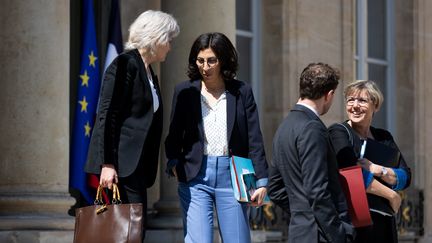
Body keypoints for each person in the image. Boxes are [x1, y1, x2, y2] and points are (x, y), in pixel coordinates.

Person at [164, 32, 268, 243]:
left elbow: (254, 138)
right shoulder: (184, 91)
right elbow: (173, 135)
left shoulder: (242, 91)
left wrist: (262, 181)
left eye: (212, 60)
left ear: (223, 60)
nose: (205, 67)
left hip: (234, 178)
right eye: (200, 60)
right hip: (195, 177)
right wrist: (174, 163)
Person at [85, 10, 179, 241]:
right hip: (120, 167)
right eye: (169, 40)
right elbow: (108, 115)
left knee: (134, 231)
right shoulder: (125, 64)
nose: (170, 46)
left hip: (137, 168)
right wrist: (107, 163)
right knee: (127, 233)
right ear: (156, 37)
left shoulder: (149, 73)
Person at [268, 63, 354, 243]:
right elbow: (317, 191)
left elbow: (275, 189)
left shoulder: (284, 126)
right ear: (329, 95)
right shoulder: (312, 127)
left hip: (300, 232)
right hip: (321, 234)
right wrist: (339, 234)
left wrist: (302, 212)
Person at [328, 80, 411, 243]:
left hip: (384, 223)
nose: (355, 106)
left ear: (376, 105)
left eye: (362, 100)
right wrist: (392, 195)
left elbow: (406, 177)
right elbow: (352, 174)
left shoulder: (384, 137)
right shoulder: (339, 132)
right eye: (350, 100)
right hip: (355, 226)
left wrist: (377, 169)